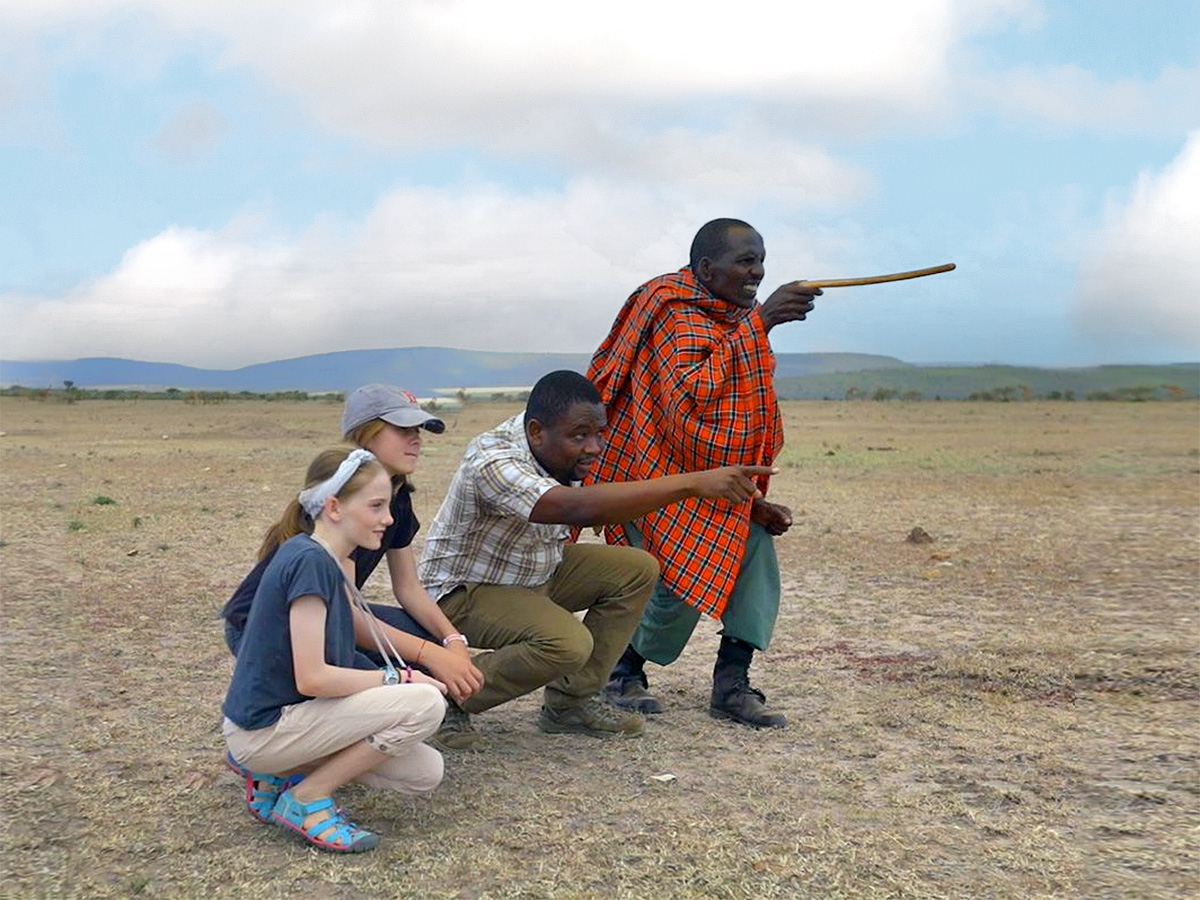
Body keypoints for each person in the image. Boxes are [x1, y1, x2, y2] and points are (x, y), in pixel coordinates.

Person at [417, 369, 776, 742]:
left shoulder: (559, 448)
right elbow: (575, 508)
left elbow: (627, 493)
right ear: (537, 431)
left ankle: (571, 703)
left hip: (534, 574)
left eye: (598, 434)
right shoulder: (492, 459)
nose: (594, 447)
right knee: (567, 643)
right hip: (465, 593)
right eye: (580, 436)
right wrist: (691, 483)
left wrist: (747, 506)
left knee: (635, 570)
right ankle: (444, 698)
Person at [586, 218, 821, 729]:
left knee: (755, 547)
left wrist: (753, 500)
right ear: (706, 268)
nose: (757, 271)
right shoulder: (674, 312)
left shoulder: (731, 321)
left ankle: (732, 683)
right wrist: (761, 325)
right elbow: (689, 408)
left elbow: (740, 406)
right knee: (674, 575)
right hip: (645, 474)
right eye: (745, 261)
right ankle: (621, 671)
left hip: (707, 481)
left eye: (760, 260)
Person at [220, 384, 485, 742]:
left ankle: (431, 710)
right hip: (263, 628)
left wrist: (451, 640)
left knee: (422, 636)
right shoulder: (339, 503)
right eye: (403, 430)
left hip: (331, 619)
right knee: (380, 677)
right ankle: (285, 745)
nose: (417, 439)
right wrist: (431, 656)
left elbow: (408, 587)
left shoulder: (397, 499)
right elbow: (350, 616)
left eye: (418, 430)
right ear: (366, 435)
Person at [223, 447, 448, 853]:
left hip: (289, 721)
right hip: (264, 728)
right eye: (377, 506)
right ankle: (306, 799)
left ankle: (277, 772)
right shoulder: (310, 561)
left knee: (425, 771)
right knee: (425, 704)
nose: (389, 518)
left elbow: (336, 666)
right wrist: (400, 678)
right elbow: (314, 677)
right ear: (334, 508)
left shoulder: (328, 561)